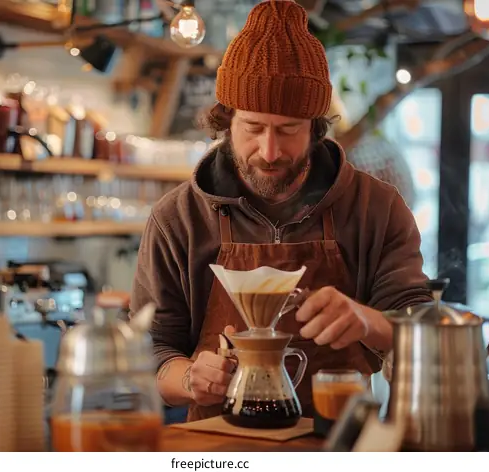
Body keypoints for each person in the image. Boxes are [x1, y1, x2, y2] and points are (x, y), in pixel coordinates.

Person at [129, 0, 432, 423]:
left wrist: (367, 322)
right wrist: (190, 378)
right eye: (253, 128)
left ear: (315, 126)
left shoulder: (376, 208)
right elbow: (152, 351)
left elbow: (421, 330)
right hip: (218, 449)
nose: (269, 152)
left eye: (289, 130)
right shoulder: (178, 217)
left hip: (341, 446)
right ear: (226, 120)